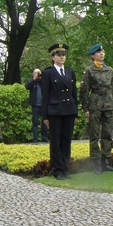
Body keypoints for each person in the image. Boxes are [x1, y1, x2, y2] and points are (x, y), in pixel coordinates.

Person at [41, 43, 78, 180]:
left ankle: (65, 168)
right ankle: (57, 170)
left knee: (66, 141)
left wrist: (75, 112)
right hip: (55, 111)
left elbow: (74, 93)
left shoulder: (70, 72)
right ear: (53, 57)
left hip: (68, 111)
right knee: (55, 142)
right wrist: (45, 116)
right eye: (58, 55)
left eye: (63, 54)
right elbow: (45, 96)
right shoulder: (48, 73)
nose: (62, 57)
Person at [80, 43, 113, 174]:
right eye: (98, 52)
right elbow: (84, 90)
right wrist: (85, 109)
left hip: (108, 103)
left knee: (107, 134)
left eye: (102, 51)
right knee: (94, 135)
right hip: (95, 104)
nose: (102, 53)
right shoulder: (89, 70)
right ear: (93, 55)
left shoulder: (109, 70)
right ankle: (96, 163)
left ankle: (106, 161)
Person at [25, 69, 48, 143]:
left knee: (44, 121)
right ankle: (35, 139)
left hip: (43, 105)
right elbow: (27, 86)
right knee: (35, 122)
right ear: (33, 74)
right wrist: (34, 79)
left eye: (39, 73)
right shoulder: (32, 81)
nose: (38, 75)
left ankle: (44, 138)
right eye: (36, 73)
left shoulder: (42, 82)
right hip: (35, 105)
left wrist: (41, 78)